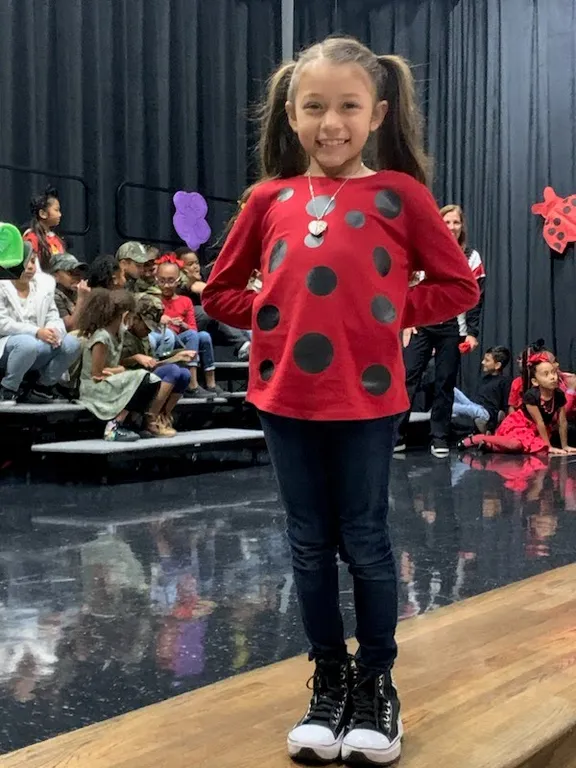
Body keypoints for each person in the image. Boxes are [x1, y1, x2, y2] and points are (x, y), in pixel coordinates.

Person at [202, 36, 479, 766]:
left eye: (348, 107)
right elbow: (221, 291)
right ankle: (328, 679)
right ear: (292, 115)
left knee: (365, 540)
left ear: (377, 112)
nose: (332, 123)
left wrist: (385, 307)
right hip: (286, 395)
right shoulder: (268, 199)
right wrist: (276, 314)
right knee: (306, 544)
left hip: (369, 398)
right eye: (315, 107)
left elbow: (458, 288)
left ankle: (376, 684)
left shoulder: (401, 196)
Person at [397, 203, 486, 457]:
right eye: (446, 222)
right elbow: (408, 287)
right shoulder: (423, 251)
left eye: (456, 222)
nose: (451, 227)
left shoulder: (472, 257)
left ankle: (439, 437)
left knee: (445, 382)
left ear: (462, 226)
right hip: (422, 325)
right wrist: (408, 321)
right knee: (408, 378)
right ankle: (397, 435)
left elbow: (477, 297)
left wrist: (472, 332)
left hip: (451, 328)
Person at [77, 289, 174, 441]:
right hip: (94, 387)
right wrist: (121, 370)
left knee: (152, 380)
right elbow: (96, 374)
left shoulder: (119, 334)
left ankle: (132, 423)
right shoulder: (102, 337)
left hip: (109, 380)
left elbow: (116, 363)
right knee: (142, 377)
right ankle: (113, 427)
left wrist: (133, 359)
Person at [0, 245, 81, 404]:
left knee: (72, 344)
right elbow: (2, 323)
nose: (30, 267)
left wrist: (53, 331)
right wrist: (36, 332)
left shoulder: (43, 288)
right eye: (25, 262)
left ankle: (42, 387)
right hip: (7, 347)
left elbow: (53, 315)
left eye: (32, 261)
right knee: (27, 343)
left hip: (37, 345)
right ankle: (8, 388)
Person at [458, 353, 576, 455]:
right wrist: (549, 446)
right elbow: (539, 421)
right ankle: (478, 438)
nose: (553, 377)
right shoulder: (531, 396)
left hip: (540, 429)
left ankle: (489, 446)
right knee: (517, 445)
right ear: (535, 381)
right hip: (521, 424)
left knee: (532, 449)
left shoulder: (559, 394)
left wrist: (565, 446)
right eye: (546, 374)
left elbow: (562, 421)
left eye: (554, 373)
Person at [120, 294, 195, 435]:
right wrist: (135, 358)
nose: (149, 331)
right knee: (172, 371)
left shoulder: (143, 338)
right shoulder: (121, 335)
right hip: (128, 380)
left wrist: (176, 357)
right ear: (135, 318)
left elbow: (152, 363)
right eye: (146, 326)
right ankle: (149, 418)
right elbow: (115, 363)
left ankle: (163, 415)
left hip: (144, 377)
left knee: (184, 373)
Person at [153, 256, 223, 399]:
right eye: (162, 281)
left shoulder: (185, 301)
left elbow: (192, 328)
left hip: (180, 338)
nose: (166, 285)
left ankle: (211, 384)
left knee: (203, 336)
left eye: (171, 280)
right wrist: (163, 321)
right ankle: (192, 385)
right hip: (165, 341)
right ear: (156, 280)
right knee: (192, 336)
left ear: (178, 280)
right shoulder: (153, 299)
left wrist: (182, 324)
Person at [176, 246, 251, 361]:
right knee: (213, 309)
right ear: (181, 268)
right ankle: (243, 345)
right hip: (185, 321)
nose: (195, 267)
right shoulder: (181, 281)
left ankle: (250, 343)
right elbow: (206, 291)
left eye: (196, 263)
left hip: (209, 324)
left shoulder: (203, 275)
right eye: (190, 264)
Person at [452, 345, 511, 433]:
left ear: (497, 365)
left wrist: (494, 424)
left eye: (487, 360)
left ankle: (439, 411)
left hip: (486, 413)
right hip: (476, 406)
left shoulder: (504, 381)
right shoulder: (485, 379)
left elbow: (505, 405)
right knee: (451, 389)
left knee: (453, 407)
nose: (483, 362)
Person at [22, 186, 66, 273]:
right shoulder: (31, 238)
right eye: (56, 210)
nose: (60, 214)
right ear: (42, 214)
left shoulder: (55, 238)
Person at [49, 253, 91, 331]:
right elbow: (71, 328)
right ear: (55, 276)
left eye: (78, 273)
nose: (77, 277)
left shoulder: (76, 292)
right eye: (71, 273)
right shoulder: (53, 296)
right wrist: (81, 298)